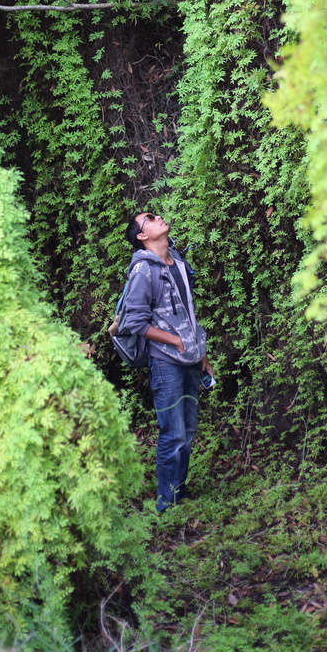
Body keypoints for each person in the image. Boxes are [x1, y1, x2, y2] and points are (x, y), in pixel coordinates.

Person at [122, 211, 214, 512]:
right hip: (165, 363)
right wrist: (175, 342)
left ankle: (178, 493)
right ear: (142, 236)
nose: (158, 216)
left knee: (186, 432)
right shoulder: (142, 272)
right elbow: (135, 323)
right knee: (172, 433)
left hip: (189, 359)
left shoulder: (177, 262)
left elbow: (187, 314)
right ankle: (166, 504)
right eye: (149, 217)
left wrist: (201, 353)